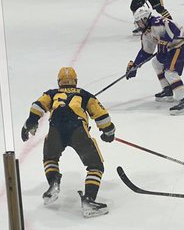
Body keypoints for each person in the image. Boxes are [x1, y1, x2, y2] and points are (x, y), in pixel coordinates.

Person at [20, 66, 115, 217]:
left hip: (55, 130)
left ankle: (53, 181)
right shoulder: (84, 94)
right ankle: (89, 200)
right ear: (75, 81)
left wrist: (30, 122)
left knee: (50, 158)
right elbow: (101, 114)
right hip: (78, 130)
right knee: (95, 166)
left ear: (59, 82)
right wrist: (108, 130)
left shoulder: (52, 93)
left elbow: (37, 106)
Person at [126, 7, 184, 115]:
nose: (138, 24)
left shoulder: (157, 23)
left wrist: (166, 40)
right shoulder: (146, 33)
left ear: (145, 19)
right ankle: (167, 90)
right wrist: (135, 65)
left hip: (181, 44)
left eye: (139, 21)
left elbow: (174, 30)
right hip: (169, 47)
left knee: (170, 72)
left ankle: (183, 102)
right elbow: (146, 52)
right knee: (156, 63)